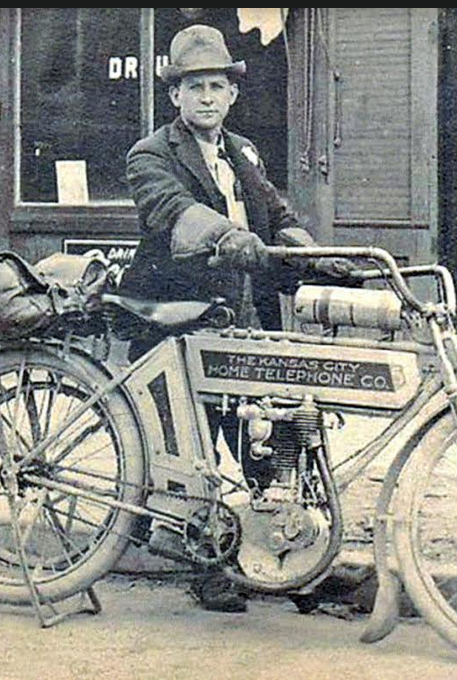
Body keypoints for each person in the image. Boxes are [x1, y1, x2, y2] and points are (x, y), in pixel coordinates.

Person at [118, 24, 354, 612]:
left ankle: (285, 555)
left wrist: (317, 256)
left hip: (240, 317)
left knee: (263, 440)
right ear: (174, 95)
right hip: (175, 321)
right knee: (191, 454)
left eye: (216, 86)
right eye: (193, 86)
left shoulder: (243, 151)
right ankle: (205, 564)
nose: (205, 97)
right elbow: (173, 212)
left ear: (232, 95)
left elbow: (275, 215)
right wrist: (228, 235)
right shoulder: (150, 154)